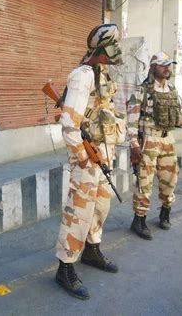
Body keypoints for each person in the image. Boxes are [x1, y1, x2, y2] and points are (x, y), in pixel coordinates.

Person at [55, 24, 125, 300]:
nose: (112, 57)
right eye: (109, 52)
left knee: (100, 205)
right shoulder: (83, 76)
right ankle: (66, 265)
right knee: (78, 211)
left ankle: (92, 249)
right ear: (99, 51)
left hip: (104, 154)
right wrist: (84, 157)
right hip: (86, 156)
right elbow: (69, 123)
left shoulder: (103, 75)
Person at [126, 52, 182, 240]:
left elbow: (180, 119)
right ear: (153, 67)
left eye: (170, 65)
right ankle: (139, 219)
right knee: (144, 182)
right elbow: (131, 121)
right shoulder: (141, 91)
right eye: (163, 65)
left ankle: (165, 212)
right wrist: (134, 144)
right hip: (148, 141)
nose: (168, 68)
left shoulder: (173, 90)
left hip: (168, 141)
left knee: (170, 179)